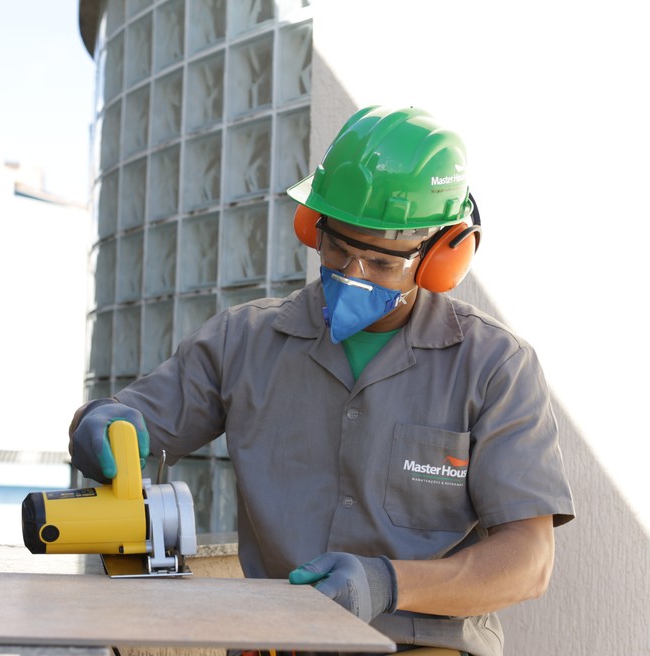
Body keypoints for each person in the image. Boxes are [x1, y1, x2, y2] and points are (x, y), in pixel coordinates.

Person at [68, 106, 575, 656]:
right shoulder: (243, 342)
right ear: (315, 226)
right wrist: (101, 427)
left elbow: (528, 563)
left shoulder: (494, 367)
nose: (352, 273)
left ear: (441, 256)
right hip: (277, 642)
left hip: (422, 644)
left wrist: (388, 584)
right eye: (337, 247)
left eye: (383, 262)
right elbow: (132, 421)